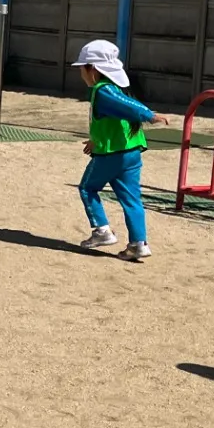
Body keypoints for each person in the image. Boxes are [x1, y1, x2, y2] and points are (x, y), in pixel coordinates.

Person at [73, 39, 164, 262]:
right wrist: (96, 140)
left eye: (82, 68)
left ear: (92, 69)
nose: (81, 74)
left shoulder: (102, 91)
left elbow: (128, 108)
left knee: (87, 188)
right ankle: (138, 244)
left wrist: (149, 115)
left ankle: (101, 231)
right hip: (131, 152)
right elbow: (114, 122)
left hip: (110, 155)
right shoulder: (117, 89)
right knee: (132, 199)